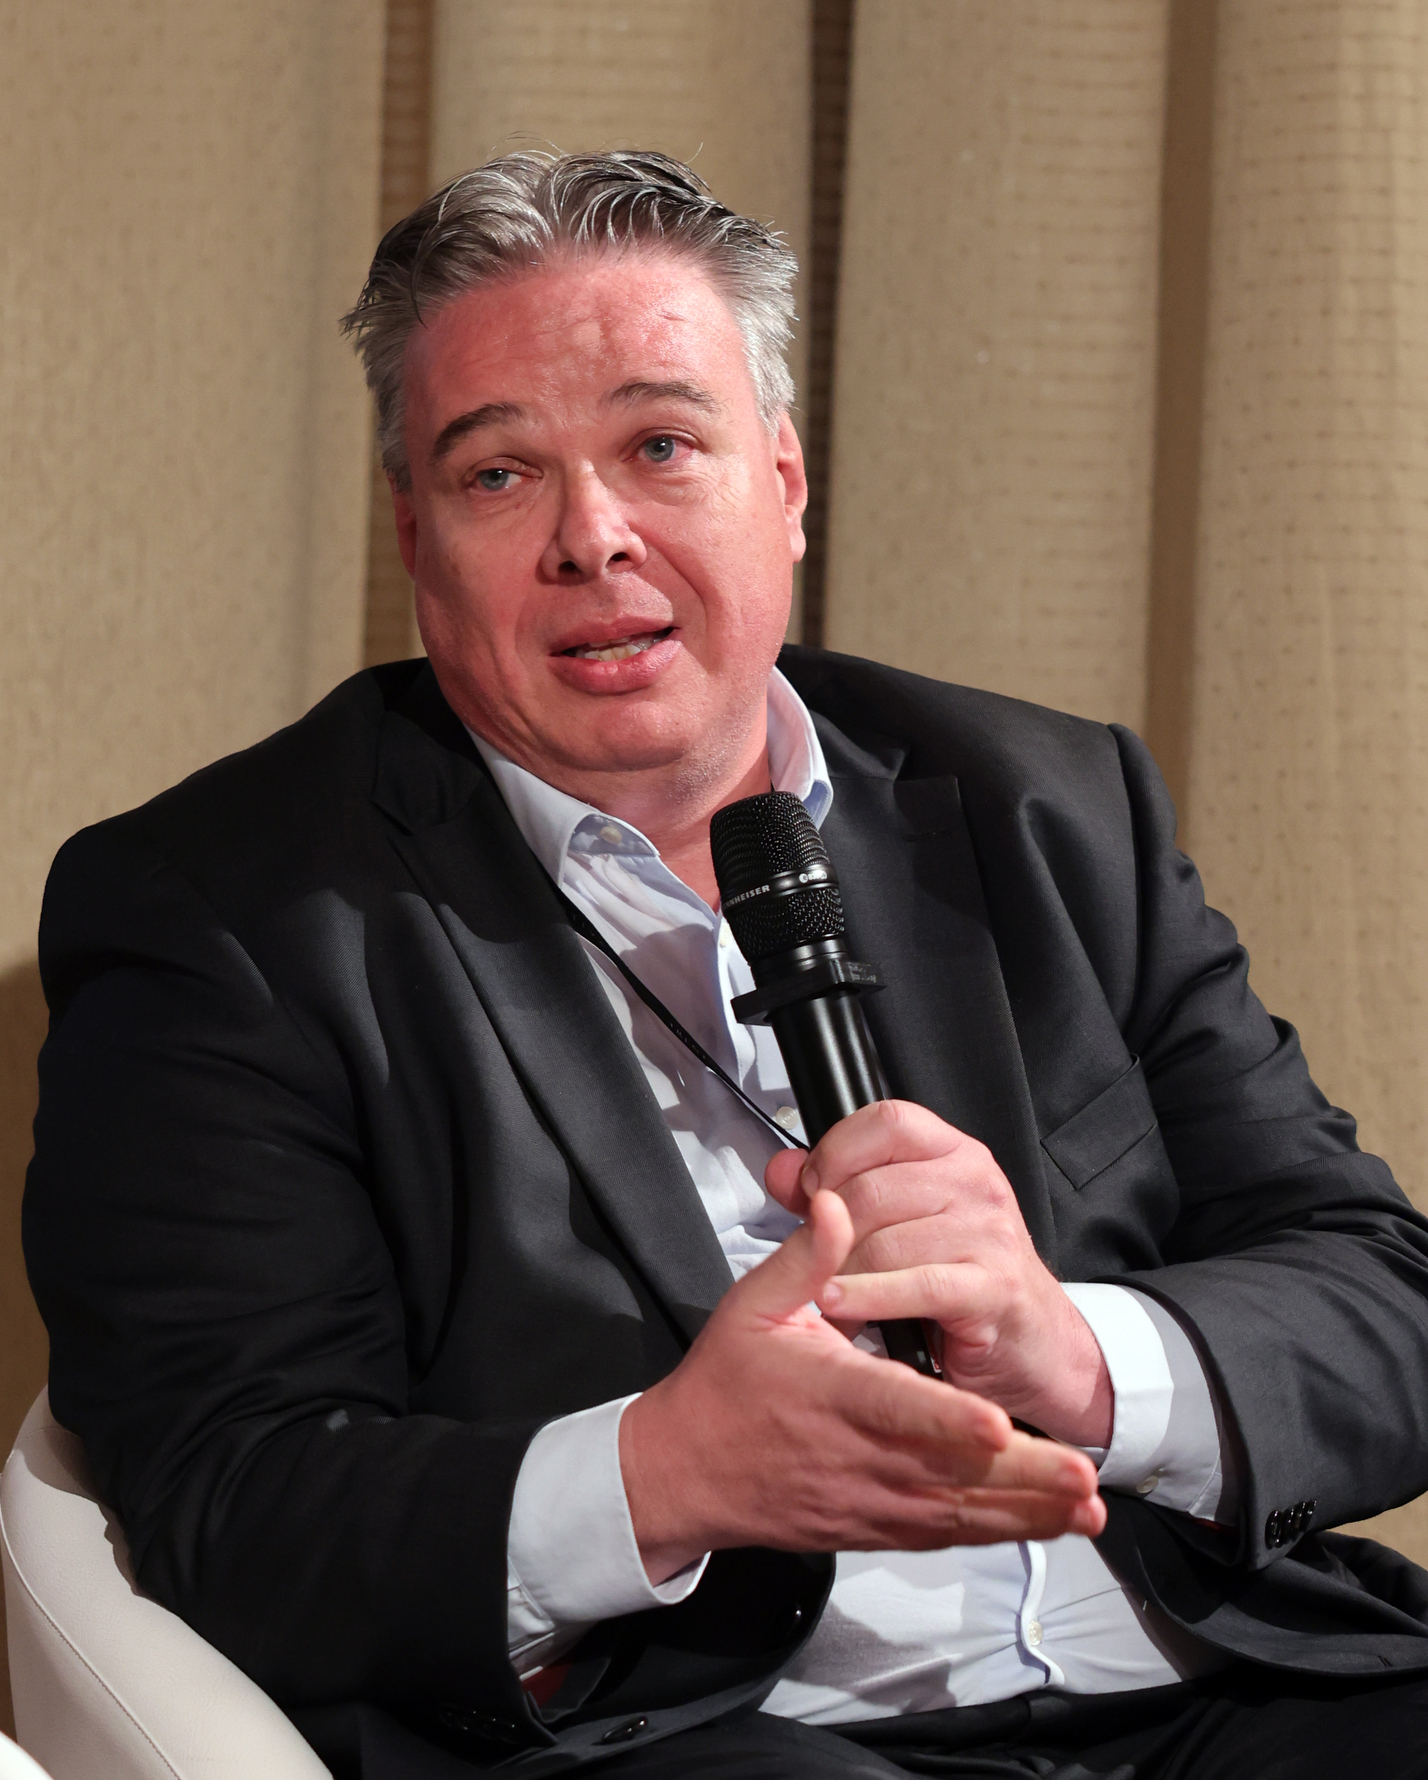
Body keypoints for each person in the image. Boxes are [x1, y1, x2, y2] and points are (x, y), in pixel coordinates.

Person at [22, 151, 1428, 1779]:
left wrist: (1078, 1352)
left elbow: (1380, 1298)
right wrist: (663, 1473)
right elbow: (231, 1493)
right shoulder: (225, 914)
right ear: (415, 535)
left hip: (1218, 1679)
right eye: (499, 475)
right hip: (712, 1735)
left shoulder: (1047, 807)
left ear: (785, 479)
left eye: (660, 446)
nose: (592, 538)